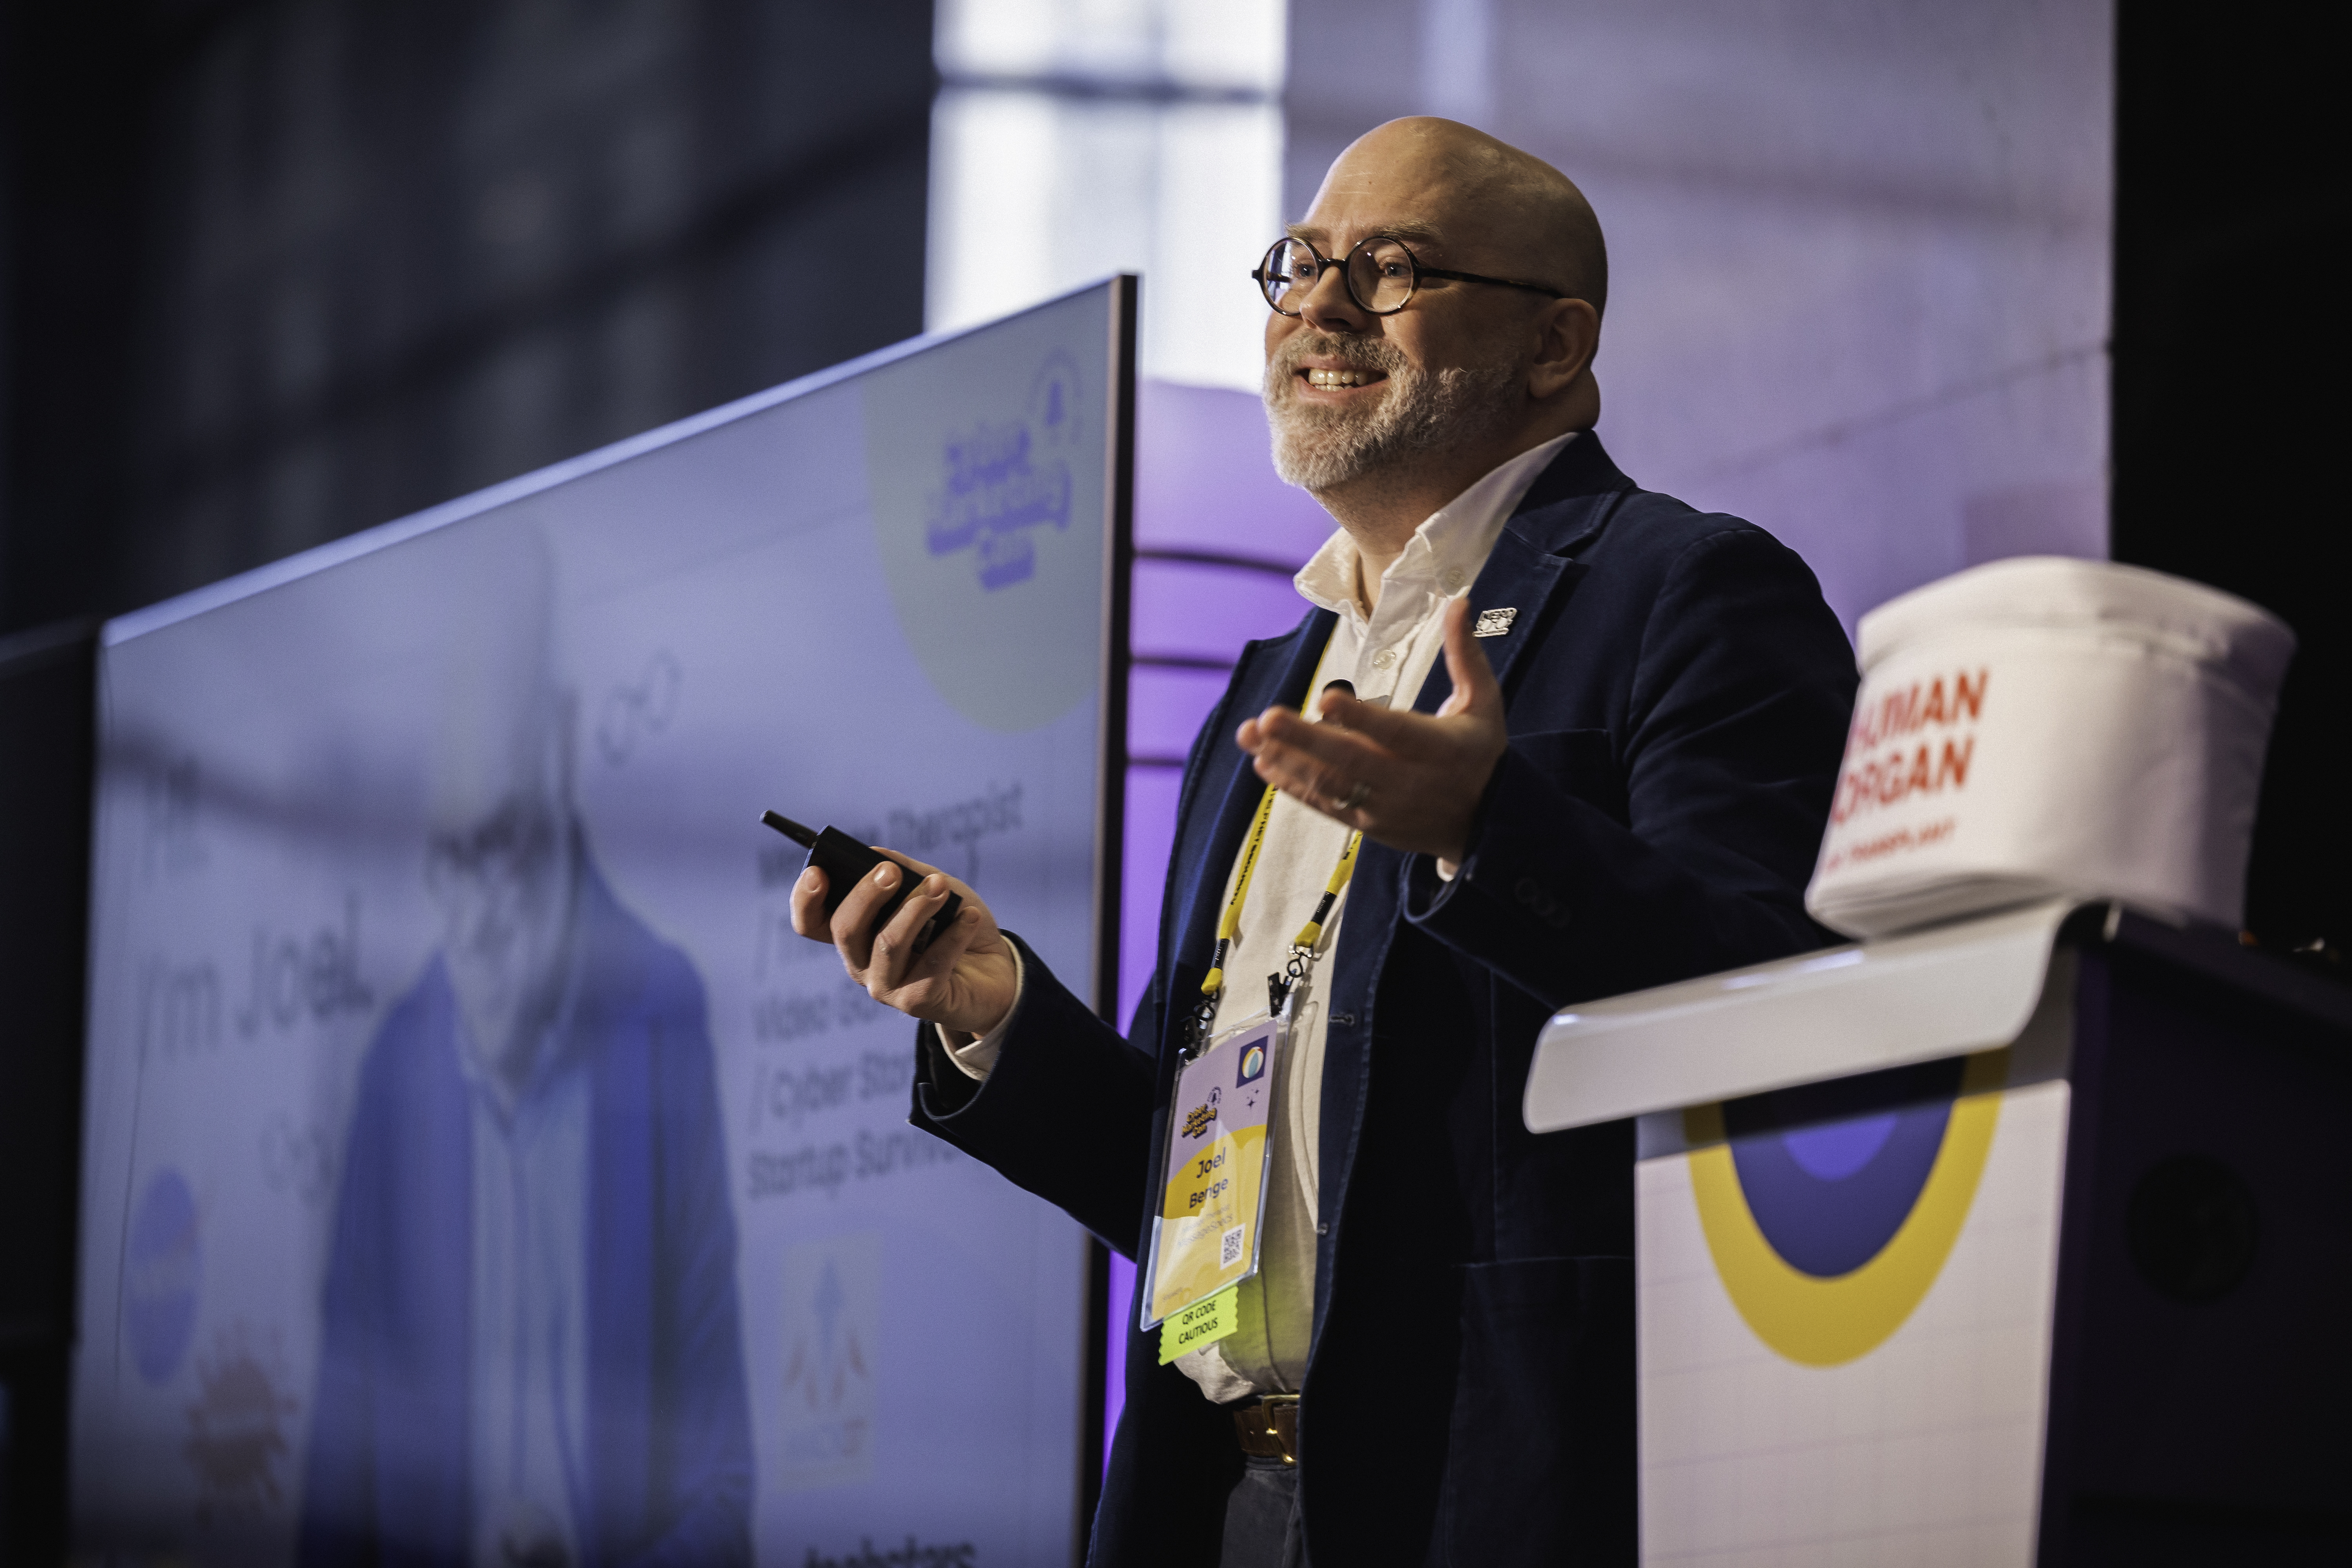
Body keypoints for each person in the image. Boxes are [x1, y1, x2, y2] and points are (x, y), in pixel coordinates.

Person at [795, 118, 1858, 1566]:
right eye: (1300, 263)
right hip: (1223, 1497)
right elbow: (1196, 1185)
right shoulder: (1272, 682)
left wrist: (1491, 836)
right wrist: (1000, 1013)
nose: (1320, 307)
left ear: (1554, 346)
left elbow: (1781, 1003)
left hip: (1498, 1489)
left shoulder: (1684, 594)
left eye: (1392, 268)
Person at [299, 529, 752, 1566]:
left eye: (504, 845)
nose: (478, 917)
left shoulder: (659, 1020)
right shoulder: (395, 1069)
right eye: (450, 857)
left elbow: (722, 1502)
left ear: (557, 765)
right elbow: (335, 1507)